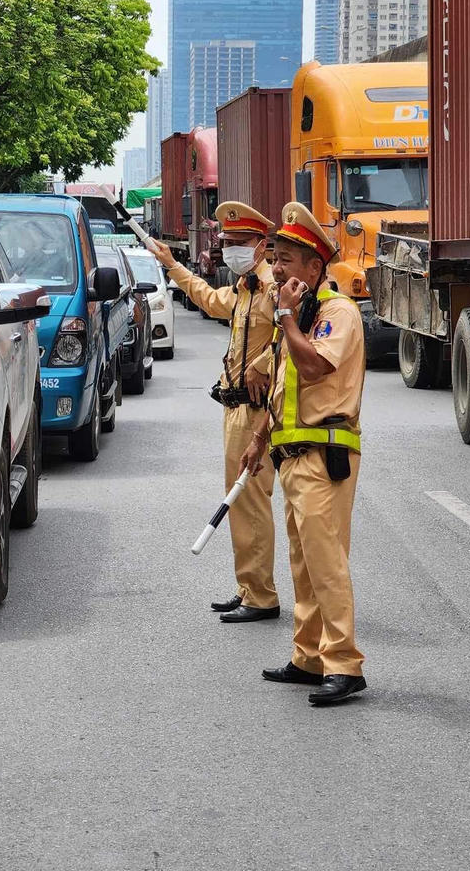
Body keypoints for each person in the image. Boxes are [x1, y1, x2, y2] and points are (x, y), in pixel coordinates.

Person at [239, 202, 367, 707]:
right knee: (303, 565)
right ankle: (309, 658)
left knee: (327, 563)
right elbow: (285, 391)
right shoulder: (300, 317)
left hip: (324, 454)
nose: (276, 269)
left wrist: (287, 318)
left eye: (287, 260)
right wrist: (258, 439)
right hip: (291, 455)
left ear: (315, 269)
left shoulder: (337, 313)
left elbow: (313, 368)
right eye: (275, 259)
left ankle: (345, 665)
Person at [149, 202, 281, 622]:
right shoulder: (244, 290)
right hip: (235, 408)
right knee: (242, 502)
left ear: (261, 246)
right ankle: (249, 586)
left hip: (257, 411)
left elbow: (295, 335)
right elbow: (208, 299)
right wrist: (172, 265)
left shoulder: (273, 288)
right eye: (227, 243)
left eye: (240, 243)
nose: (231, 250)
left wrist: (264, 363)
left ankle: (261, 596)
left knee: (250, 501)